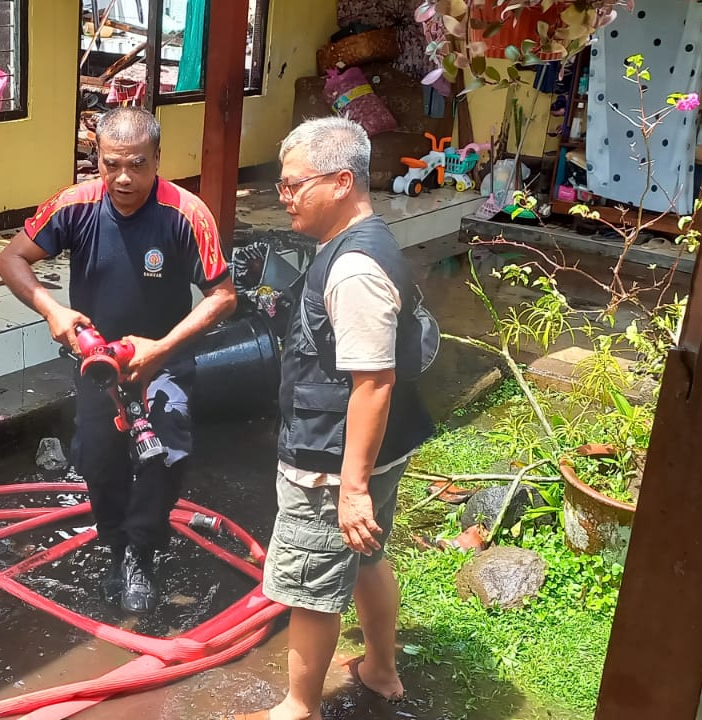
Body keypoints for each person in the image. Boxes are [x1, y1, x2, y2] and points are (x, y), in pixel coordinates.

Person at [0, 107, 236, 613]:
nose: (124, 178)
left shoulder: (186, 213)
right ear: (97, 160)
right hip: (97, 360)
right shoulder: (75, 205)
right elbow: (10, 258)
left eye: (138, 165)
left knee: (165, 454)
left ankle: (141, 554)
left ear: (158, 160)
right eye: (111, 165)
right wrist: (52, 310)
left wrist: (162, 349)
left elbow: (223, 296)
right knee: (98, 457)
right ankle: (114, 542)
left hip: (160, 359)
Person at [237, 117, 436, 720]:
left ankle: (297, 709)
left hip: (333, 460)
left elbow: (374, 384)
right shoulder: (358, 242)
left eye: (296, 184)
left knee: (311, 586)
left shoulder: (354, 270)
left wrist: (351, 490)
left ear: (342, 182)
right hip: (378, 446)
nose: (284, 195)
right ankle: (380, 669)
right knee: (365, 558)